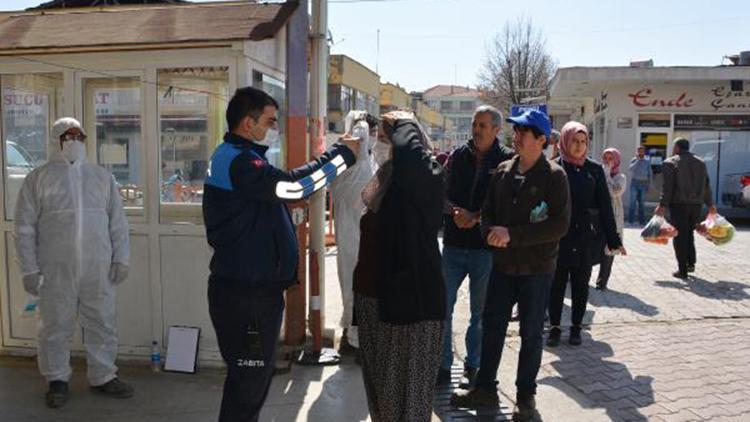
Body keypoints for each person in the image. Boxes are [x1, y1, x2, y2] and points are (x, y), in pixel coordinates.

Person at [202, 87, 359, 422]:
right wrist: (343, 156)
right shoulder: (241, 161)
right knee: (248, 385)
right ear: (248, 123)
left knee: (248, 384)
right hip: (247, 298)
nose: (274, 129)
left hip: (249, 293)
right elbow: (295, 188)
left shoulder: (237, 155)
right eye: (270, 122)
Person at [450, 109, 570, 421]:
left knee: (531, 334)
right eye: (515, 132)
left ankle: (525, 398)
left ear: (541, 140)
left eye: (523, 133)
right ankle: (486, 388)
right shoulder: (503, 171)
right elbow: (488, 210)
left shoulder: (555, 176)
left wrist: (512, 236)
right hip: (502, 267)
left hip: (536, 271)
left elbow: (559, 225)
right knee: (492, 328)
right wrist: (489, 232)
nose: (515, 138)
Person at [14, 117, 133, 408]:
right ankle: (56, 379)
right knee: (55, 324)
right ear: (56, 140)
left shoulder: (102, 177)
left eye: (80, 137)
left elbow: (117, 223)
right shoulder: (38, 179)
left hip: (98, 266)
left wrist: (122, 258)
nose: (75, 142)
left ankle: (104, 375)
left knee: (102, 321)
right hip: (55, 268)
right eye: (69, 137)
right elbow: (25, 228)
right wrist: (29, 268)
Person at [353, 110, 445, 422]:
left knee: (406, 405)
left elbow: (413, 164)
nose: (379, 145)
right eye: (377, 138)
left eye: (385, 139)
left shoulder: (424, 179)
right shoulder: (384, 181)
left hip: (410, 310)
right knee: (382, 402)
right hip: (374, 303)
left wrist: (404, 123)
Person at [438, 105, 514, 386]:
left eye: (483, 125)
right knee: (442, 309)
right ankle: (443, 366)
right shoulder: (456, 157)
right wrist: (456, 212)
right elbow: (440, 192)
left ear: (497, 130)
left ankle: (475, 365)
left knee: (480, 314)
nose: (477, 130)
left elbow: (506, 203)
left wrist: (477, 217)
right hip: (454, 246)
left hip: (485, 250)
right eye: (475, 124)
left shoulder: (507, 160)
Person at [547, 122, 626, 348]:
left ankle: (576, 328)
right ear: (565, 140)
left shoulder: (595, 170)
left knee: (581, 285)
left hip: (585, 238)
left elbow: (605, 206)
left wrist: (614, 240)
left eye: (583, 142)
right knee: (557, 285)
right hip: (558, 237)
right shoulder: (554, 168)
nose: (579, 146)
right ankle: (553, 327)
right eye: (575, 141)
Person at [329, 110, 378, 353]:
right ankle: (354, 335)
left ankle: (357, 337)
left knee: (355, 284)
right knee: (352, 283)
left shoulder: (366, 165)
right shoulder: (358, 165)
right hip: (352, 237)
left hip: (359, 239)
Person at [654, 137, 716, 279]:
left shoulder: (670, 162)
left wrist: (662, 205)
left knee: (680, 235)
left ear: (676, 148)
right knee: (689, 233)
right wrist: (710, 204)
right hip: (696, 205)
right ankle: (690, 263)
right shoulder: (701, 163)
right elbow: (706, 186)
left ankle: (682, 269)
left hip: (679, 204)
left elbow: (667, 188)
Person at [596, 148, 627, 290]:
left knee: (610, 247)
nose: (607, 161)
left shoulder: (621, 177)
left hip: (614, 215)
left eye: (610, 158)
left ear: (616, 160)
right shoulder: (598, 173)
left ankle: (602, 281)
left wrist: (606, 175)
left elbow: (615, 192)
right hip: (598, 214)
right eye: (605, 158)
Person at [628, 146, 652, 225]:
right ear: (637, 152)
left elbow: (650, 173)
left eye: (642, 151)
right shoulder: (634, 160)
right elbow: (630, 169)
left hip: (643, 183)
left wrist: (650, 185)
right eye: (639, 151)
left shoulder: (647, 161)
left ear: (644, 152)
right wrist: (637, 160)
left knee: (642, 203)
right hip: (634, 183)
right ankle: (631, 221)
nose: (641, 153)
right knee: (632, 203)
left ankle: (641, 221)